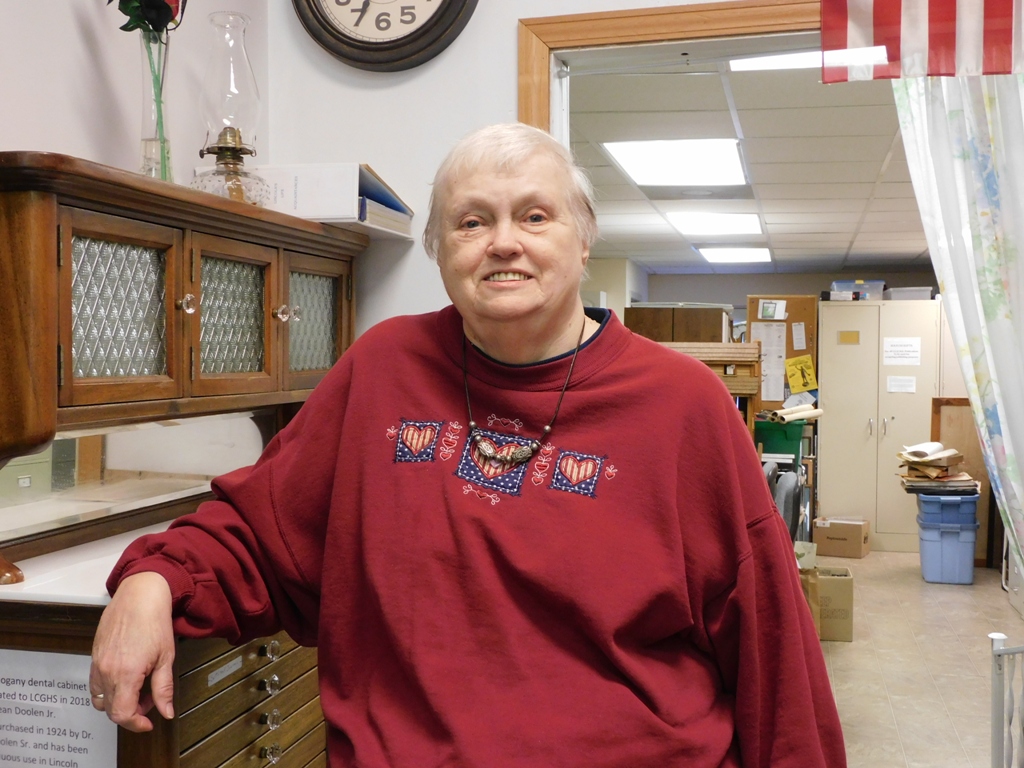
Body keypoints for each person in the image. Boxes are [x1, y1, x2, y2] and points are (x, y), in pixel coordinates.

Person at [90, 123, 846, 767]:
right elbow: (263, 532)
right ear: (440, 249)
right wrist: (152, 580)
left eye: (535, 216)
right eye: (472, 222)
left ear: (584, 240)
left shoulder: (683, 405)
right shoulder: (382, 371)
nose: (504, 243)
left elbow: (770, 644)